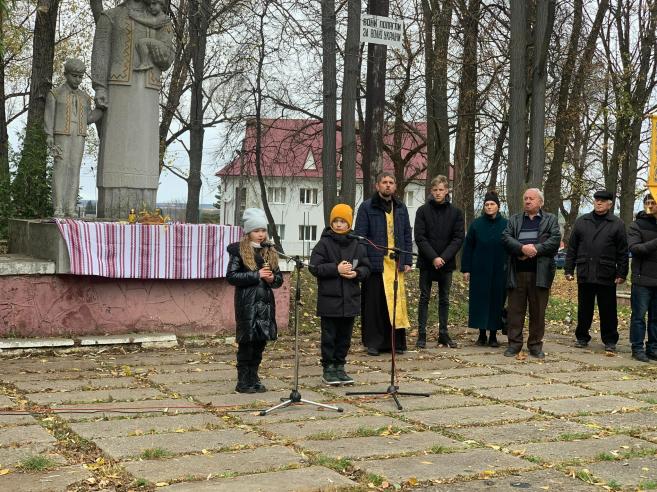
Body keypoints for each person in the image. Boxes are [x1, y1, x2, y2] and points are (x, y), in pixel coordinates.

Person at [91, 0, 174, 218]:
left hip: (148, 91)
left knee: (144, 149)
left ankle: (145, 205)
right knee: (116, 146)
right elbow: (100, 53)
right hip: (117, 88)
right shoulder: (110, 17)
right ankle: (113, 205)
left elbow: (168, 57)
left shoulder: (161, 20)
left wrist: (163, 53)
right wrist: (100, 87)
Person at [310, 204, 371, 385]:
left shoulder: (357, 244)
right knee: (329, 336)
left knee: (345, 337)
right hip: (330, 301)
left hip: (350, 299)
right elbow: (315, 267)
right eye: (335, 221)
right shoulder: (324, 243)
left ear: (349, 224)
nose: (338, 224)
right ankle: (328, 368)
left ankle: (340, 366)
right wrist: (335, 269)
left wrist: (357, 273)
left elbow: (366, 267)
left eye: (342, 221)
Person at [354, 172, 413, 356]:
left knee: (395, 304)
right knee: (375, 305)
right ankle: (373, 343)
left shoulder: (401, 207)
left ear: (395, 186)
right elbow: (360, 237)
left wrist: (407, 260)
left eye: (391, 182)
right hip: (375, 263)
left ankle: (396, 342)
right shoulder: (366, 207)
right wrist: (364, 262)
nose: (388, 185)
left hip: (395, 263)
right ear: (377, 185)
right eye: (384, 182)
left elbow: (406, 234)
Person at [226, 208, 283, 393]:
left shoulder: (269, 251)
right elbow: (232, 276)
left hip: (265, 305)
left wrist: (272, 279)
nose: (260, 234)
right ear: (248, 232)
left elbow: (278, 279)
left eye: (263, 230)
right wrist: (256, 275)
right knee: (247, 344)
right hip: (247, 304)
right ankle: (243, 380)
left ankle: (254, 377)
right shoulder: (239, 251)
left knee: (260, 344)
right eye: (256, 231)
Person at [564, 190, 628, 352]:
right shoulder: (582, 221)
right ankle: (582, 337)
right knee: (584, 308)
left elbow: (622, 251)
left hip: (606, 272)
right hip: (585, 271)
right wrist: (568, 269)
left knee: (608, 309)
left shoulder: (617, 224)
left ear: (609, 204)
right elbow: (572, 248)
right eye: (596, 200)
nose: (598, 203)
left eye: (602, 201)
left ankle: (610, 340)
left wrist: (622, 273)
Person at [502, 188, 561, 359]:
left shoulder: (550, 219)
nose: (527, 201)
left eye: (531, 199)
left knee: (538, 311)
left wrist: (535, 249)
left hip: (540, 273)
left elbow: (555, 241)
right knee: (515, 311)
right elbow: (505, 238)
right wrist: (522, 248)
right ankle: (514, 344)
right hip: (517, 273)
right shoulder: (514, 219)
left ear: (540, 202)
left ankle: (535, 345)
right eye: (525, 198)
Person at [44, 58, 102, 217]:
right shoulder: (55, 93)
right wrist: (49, 135)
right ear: (66, 74)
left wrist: (101, 109)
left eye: (80, 76)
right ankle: (58, 207)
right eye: (74, 76)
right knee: (60, 169)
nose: (77, 79)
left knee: (75, 169)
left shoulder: (85, 97)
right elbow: (49, 116)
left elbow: (88, 118)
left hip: (79, 134)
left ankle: (70, 207)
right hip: (61, 134)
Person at [414, 175, 465, 348]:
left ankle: (443, 334)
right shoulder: (422, 211)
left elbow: (458, 238)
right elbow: (420, 237)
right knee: (424, 297)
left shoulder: (456, 213)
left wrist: (443, 258)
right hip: (427, 262)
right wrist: (433, 257)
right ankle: (421, 335)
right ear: (431, 191)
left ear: (447, 191)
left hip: (446, 263)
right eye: (435, 190)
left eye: (441, 190)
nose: (438, 193)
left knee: (444, 299)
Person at [461, 190, 508, 347]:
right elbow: (468, 247)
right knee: (480, 302)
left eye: (492, 204)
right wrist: (466, 269)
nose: (489, 207)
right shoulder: (476, 224)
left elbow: (511, 246)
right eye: (486, 204)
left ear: (498, 206)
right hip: (479, 270)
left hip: (499, 270)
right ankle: (482, 334)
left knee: (496, 302)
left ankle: (493, 335)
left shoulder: (506, 225)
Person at [627, 193, 657, 362]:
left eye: (654, 202)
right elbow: (635, 248)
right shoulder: (636, 225)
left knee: (656, 318)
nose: (650, 206)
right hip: (642, 279)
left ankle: (653, 348)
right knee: (639, 317)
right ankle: (637, 348)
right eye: (647, 203)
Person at [134, 0, 169, 71]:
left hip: (163, 46)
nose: (151, 7)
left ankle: (145, 64)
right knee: (139, 45)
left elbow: (154, 24)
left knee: (142, 42)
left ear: (161, 5)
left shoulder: (165, 18)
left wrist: (135, 18)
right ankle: (146, 62)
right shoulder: (156, 16)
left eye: (154, 4)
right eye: (150, 4)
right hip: (159, 45)